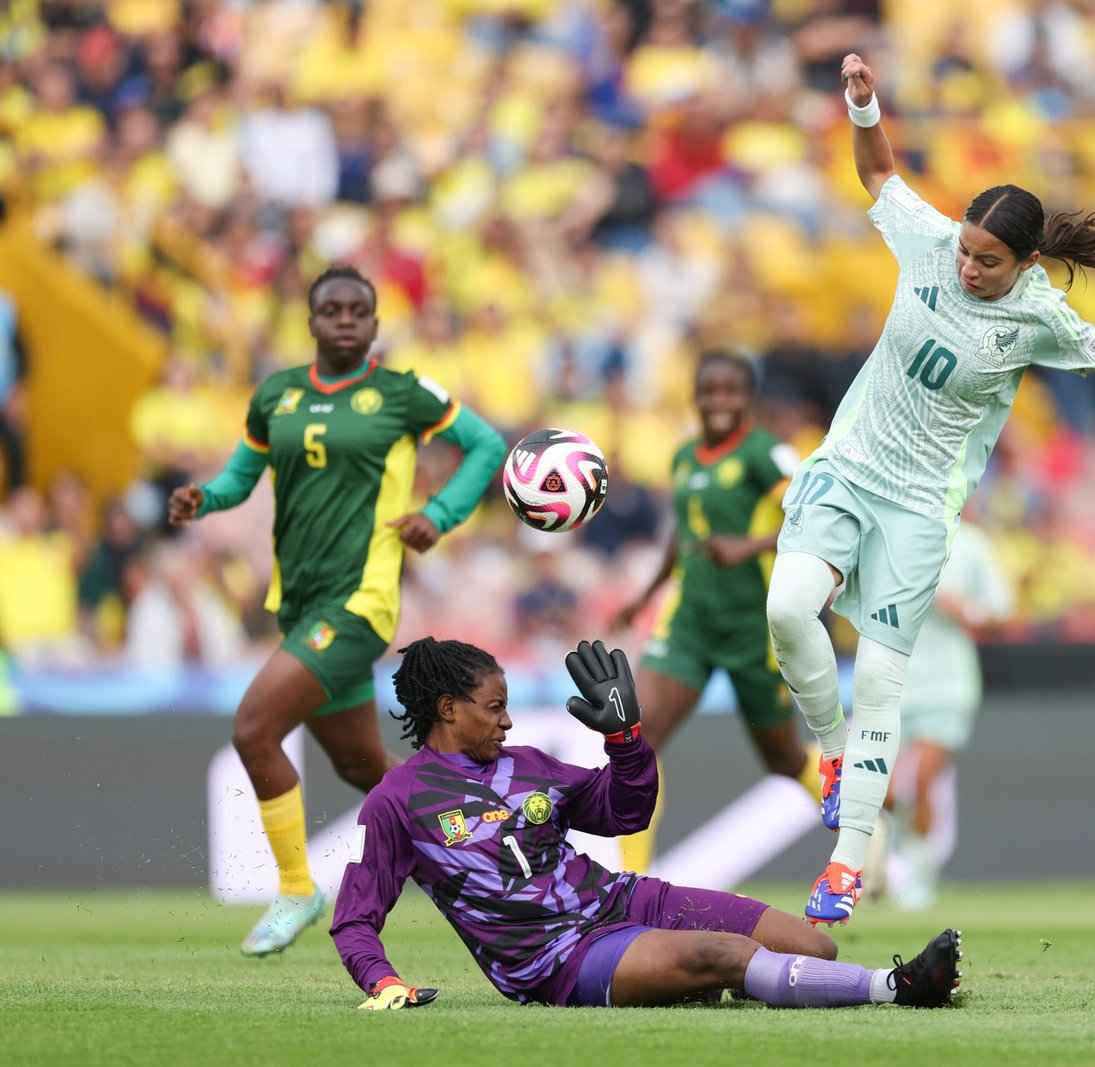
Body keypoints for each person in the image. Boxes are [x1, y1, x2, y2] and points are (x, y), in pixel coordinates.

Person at [766, 53, 1095, 925]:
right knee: (786, 610)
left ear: (1026, 261)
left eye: (988, 261)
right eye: (966, 250)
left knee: (884, 677)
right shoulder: (929, 240)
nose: (968, 268)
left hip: (922, 508)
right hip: (848, 468)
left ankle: (850, 864)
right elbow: (881, 170)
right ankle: (834, 751)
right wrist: (864, 104)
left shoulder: (1038, 314)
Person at [330, 637, 963, 1010]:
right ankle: (900, 987)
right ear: (447, 708)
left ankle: (704, 978)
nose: (508, 722)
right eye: (495, 709)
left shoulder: (528, 765)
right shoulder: (397, 800)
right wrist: (383, 981)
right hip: (559, 958)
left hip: (627, 900)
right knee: (726, 952)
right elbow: (356, 916)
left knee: (814, 947)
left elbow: (622, 811)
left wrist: (625, 739)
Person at [169, 266, 505, 956]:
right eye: (331, 309)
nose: (345, 319)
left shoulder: (400, 392)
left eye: (359, 310)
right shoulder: (278, 395)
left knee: (255, 728)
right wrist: (205, 495)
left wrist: (438, 516)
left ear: (376, 325)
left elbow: (486, 445)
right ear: (312, 321)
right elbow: (240, 475)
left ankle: (296, 886)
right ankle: (481, 845)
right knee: (363, 769)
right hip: (301, 604)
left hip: (359, 602)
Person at [612, 351, 818, 872]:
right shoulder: (683, 457)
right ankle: (631, 882)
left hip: (752, 625)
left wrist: (749, 547)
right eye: (709, 391)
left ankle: (873, 828)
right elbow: (683, 535)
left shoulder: (766, 454)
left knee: (784, 760)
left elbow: (813, 515)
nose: (718, 402)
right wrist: (644, 596)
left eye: (730, 391)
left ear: (748, 399)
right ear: (695, 397)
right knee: (637, 740)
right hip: (690, 623)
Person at [875, 518, 1013, 910]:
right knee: (883, 791)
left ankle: (919, 878)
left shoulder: (972, 543)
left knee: (921, 781)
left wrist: (965, 608)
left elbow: (1004, 611)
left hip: (948, 684)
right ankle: (890, 860)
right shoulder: (893, 533)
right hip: (892, 677)